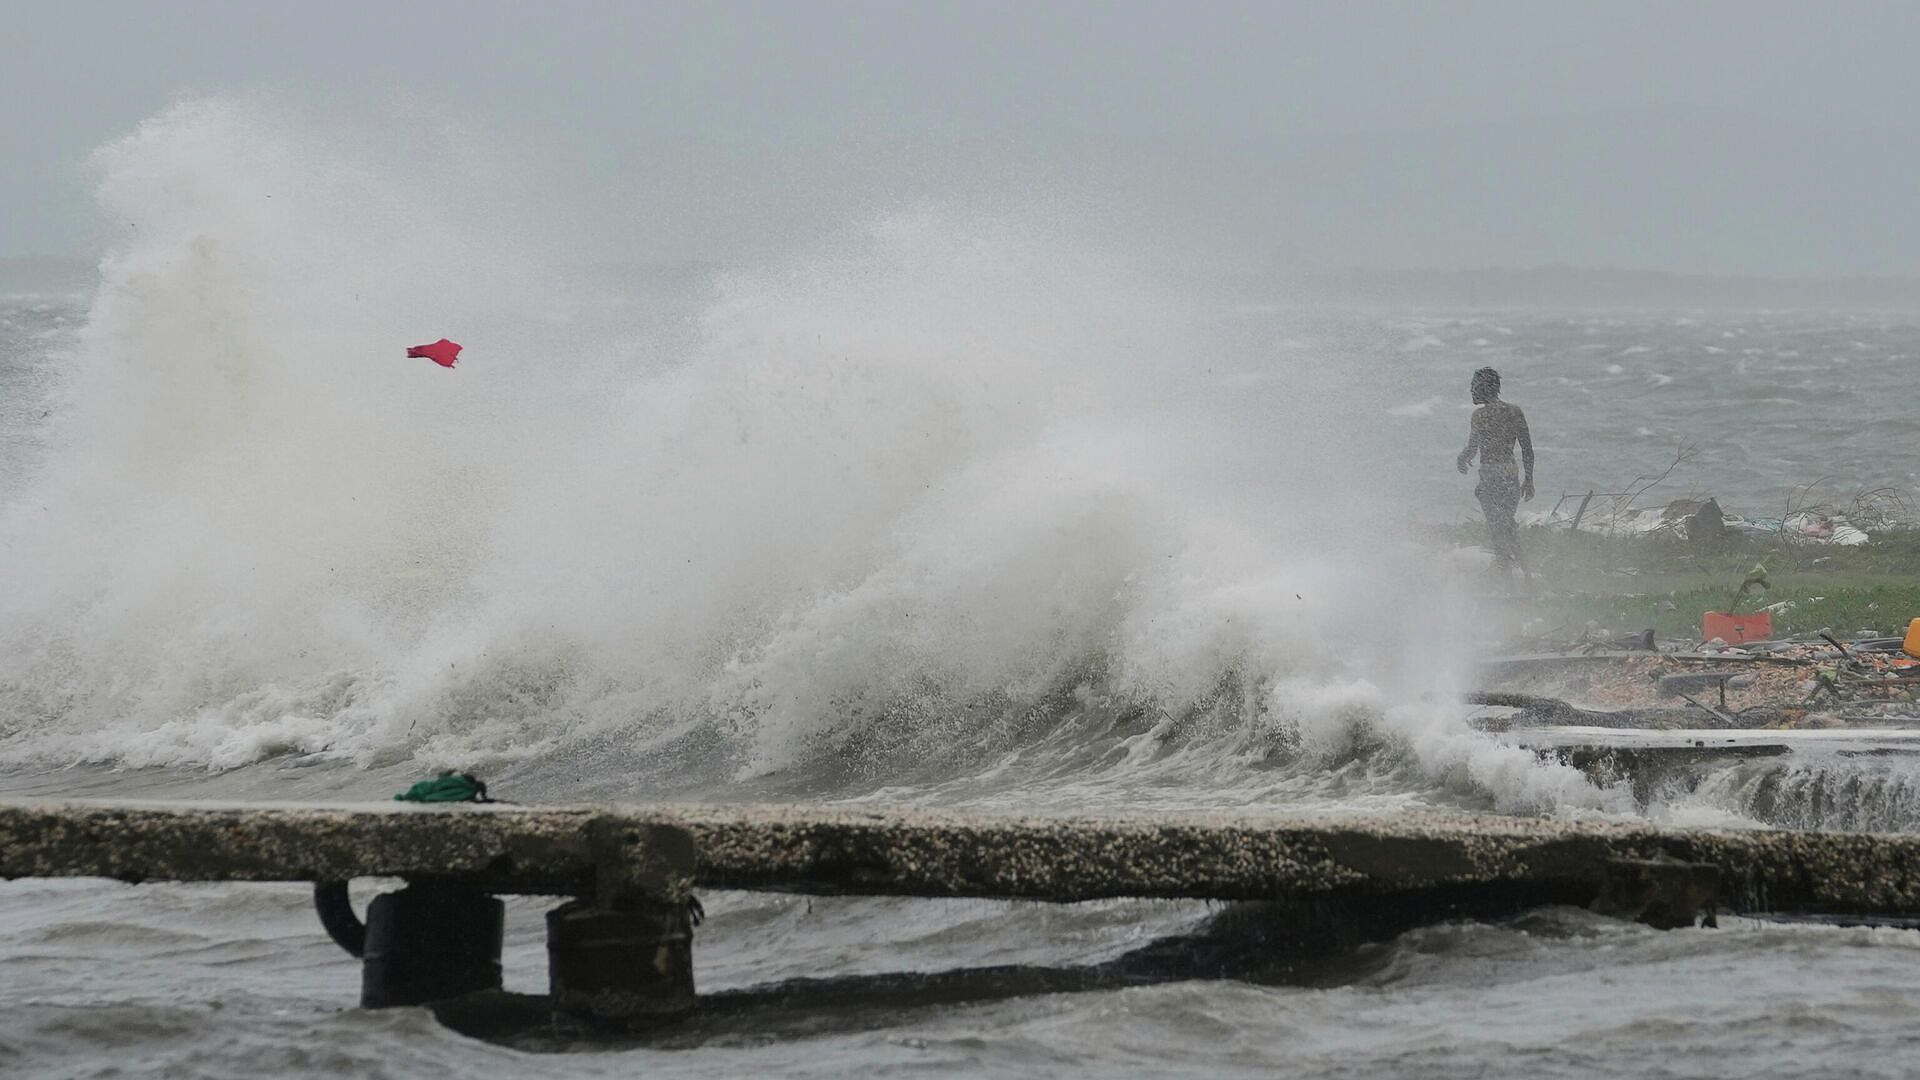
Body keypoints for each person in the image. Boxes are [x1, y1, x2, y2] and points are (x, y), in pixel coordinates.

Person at [1455, 367, 1534, 578]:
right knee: (1507, 527)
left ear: (1483, 387)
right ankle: (1523, 574)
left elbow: (1472, 449)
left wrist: (1461, 459)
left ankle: (1506, 571)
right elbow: (1527, 448)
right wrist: (1529, 479)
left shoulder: (1480, 415)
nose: (1471, 391)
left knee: (1499, 529)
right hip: (1510, 476)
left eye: (1473, 386)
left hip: (1490, 478)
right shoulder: (1514, 411)